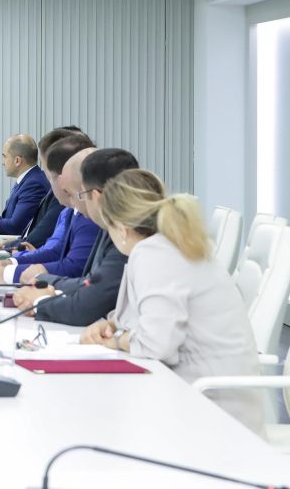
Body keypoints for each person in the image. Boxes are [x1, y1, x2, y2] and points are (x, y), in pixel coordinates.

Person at [80, 169, 264, 434]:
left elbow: (156, 345)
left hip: (214, 414)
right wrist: (112, 325)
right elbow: (148, 317)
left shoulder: (154, 253)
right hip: (205, 395)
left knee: (101, 422)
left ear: (120, 228)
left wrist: (116, 340)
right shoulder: (169, 245)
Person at [13, 148, 139, 326]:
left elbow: (86, 306)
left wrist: (37, 302)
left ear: (95, 196)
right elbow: (89, 282)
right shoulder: (113, 227)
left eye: (80, 195)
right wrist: (43, 279)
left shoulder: (130, 234)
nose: (76, 206)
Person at [0, 134, 98, 285]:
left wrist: (9, 273)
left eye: (50, 176)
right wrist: (9, 263)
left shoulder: (88, 216)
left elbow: (73, 268)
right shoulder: (70, 211)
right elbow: (56, 251)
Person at [2, 126, 91, 251]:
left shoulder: (70, 203)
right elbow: (54, 249)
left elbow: (39, 241)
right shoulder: (68, 206)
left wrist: (18, 252)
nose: (43, 168)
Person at [0, 134, 50, 235]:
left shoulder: (33, 184)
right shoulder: (29, 179)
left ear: (17, 160)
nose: (3, 162)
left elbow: (14, 227)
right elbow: (10, 220)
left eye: (4, 156)